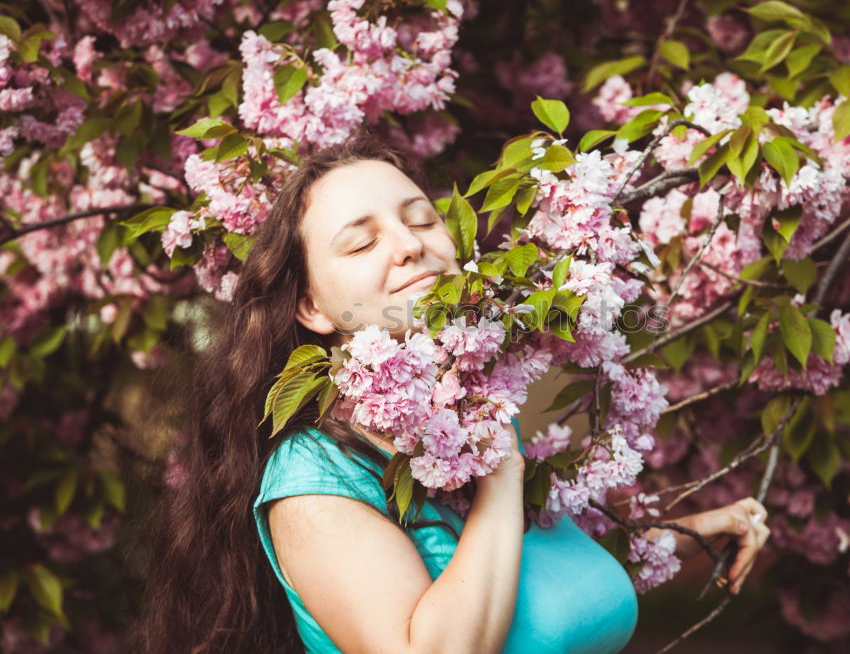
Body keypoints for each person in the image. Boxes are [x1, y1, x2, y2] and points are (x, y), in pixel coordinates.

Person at [135, 135, 770, 653]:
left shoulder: (471, 412)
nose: (411, 245)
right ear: (312, 306)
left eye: (422, 220)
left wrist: (691, 532)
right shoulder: (317, 478)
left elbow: (527, 595)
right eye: (361, 242)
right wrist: (500, 475)